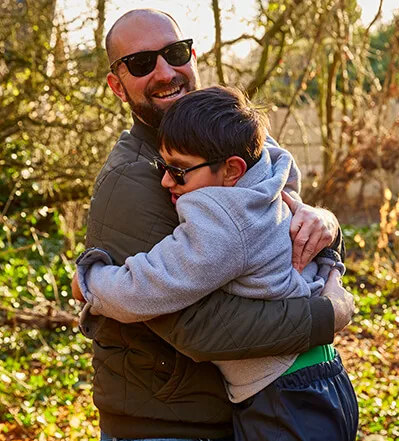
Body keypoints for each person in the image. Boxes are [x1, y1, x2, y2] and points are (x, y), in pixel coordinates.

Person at [72, 8, 355, 441]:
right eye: (142, 63)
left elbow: (291, 217)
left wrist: (326, 224)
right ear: (117, 85)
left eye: (175, 52)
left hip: (263, 403)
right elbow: (196, 327)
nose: (166, 72)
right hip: (166, 426)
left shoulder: (231, 140)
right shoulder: (131, 180)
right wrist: (327, 312)